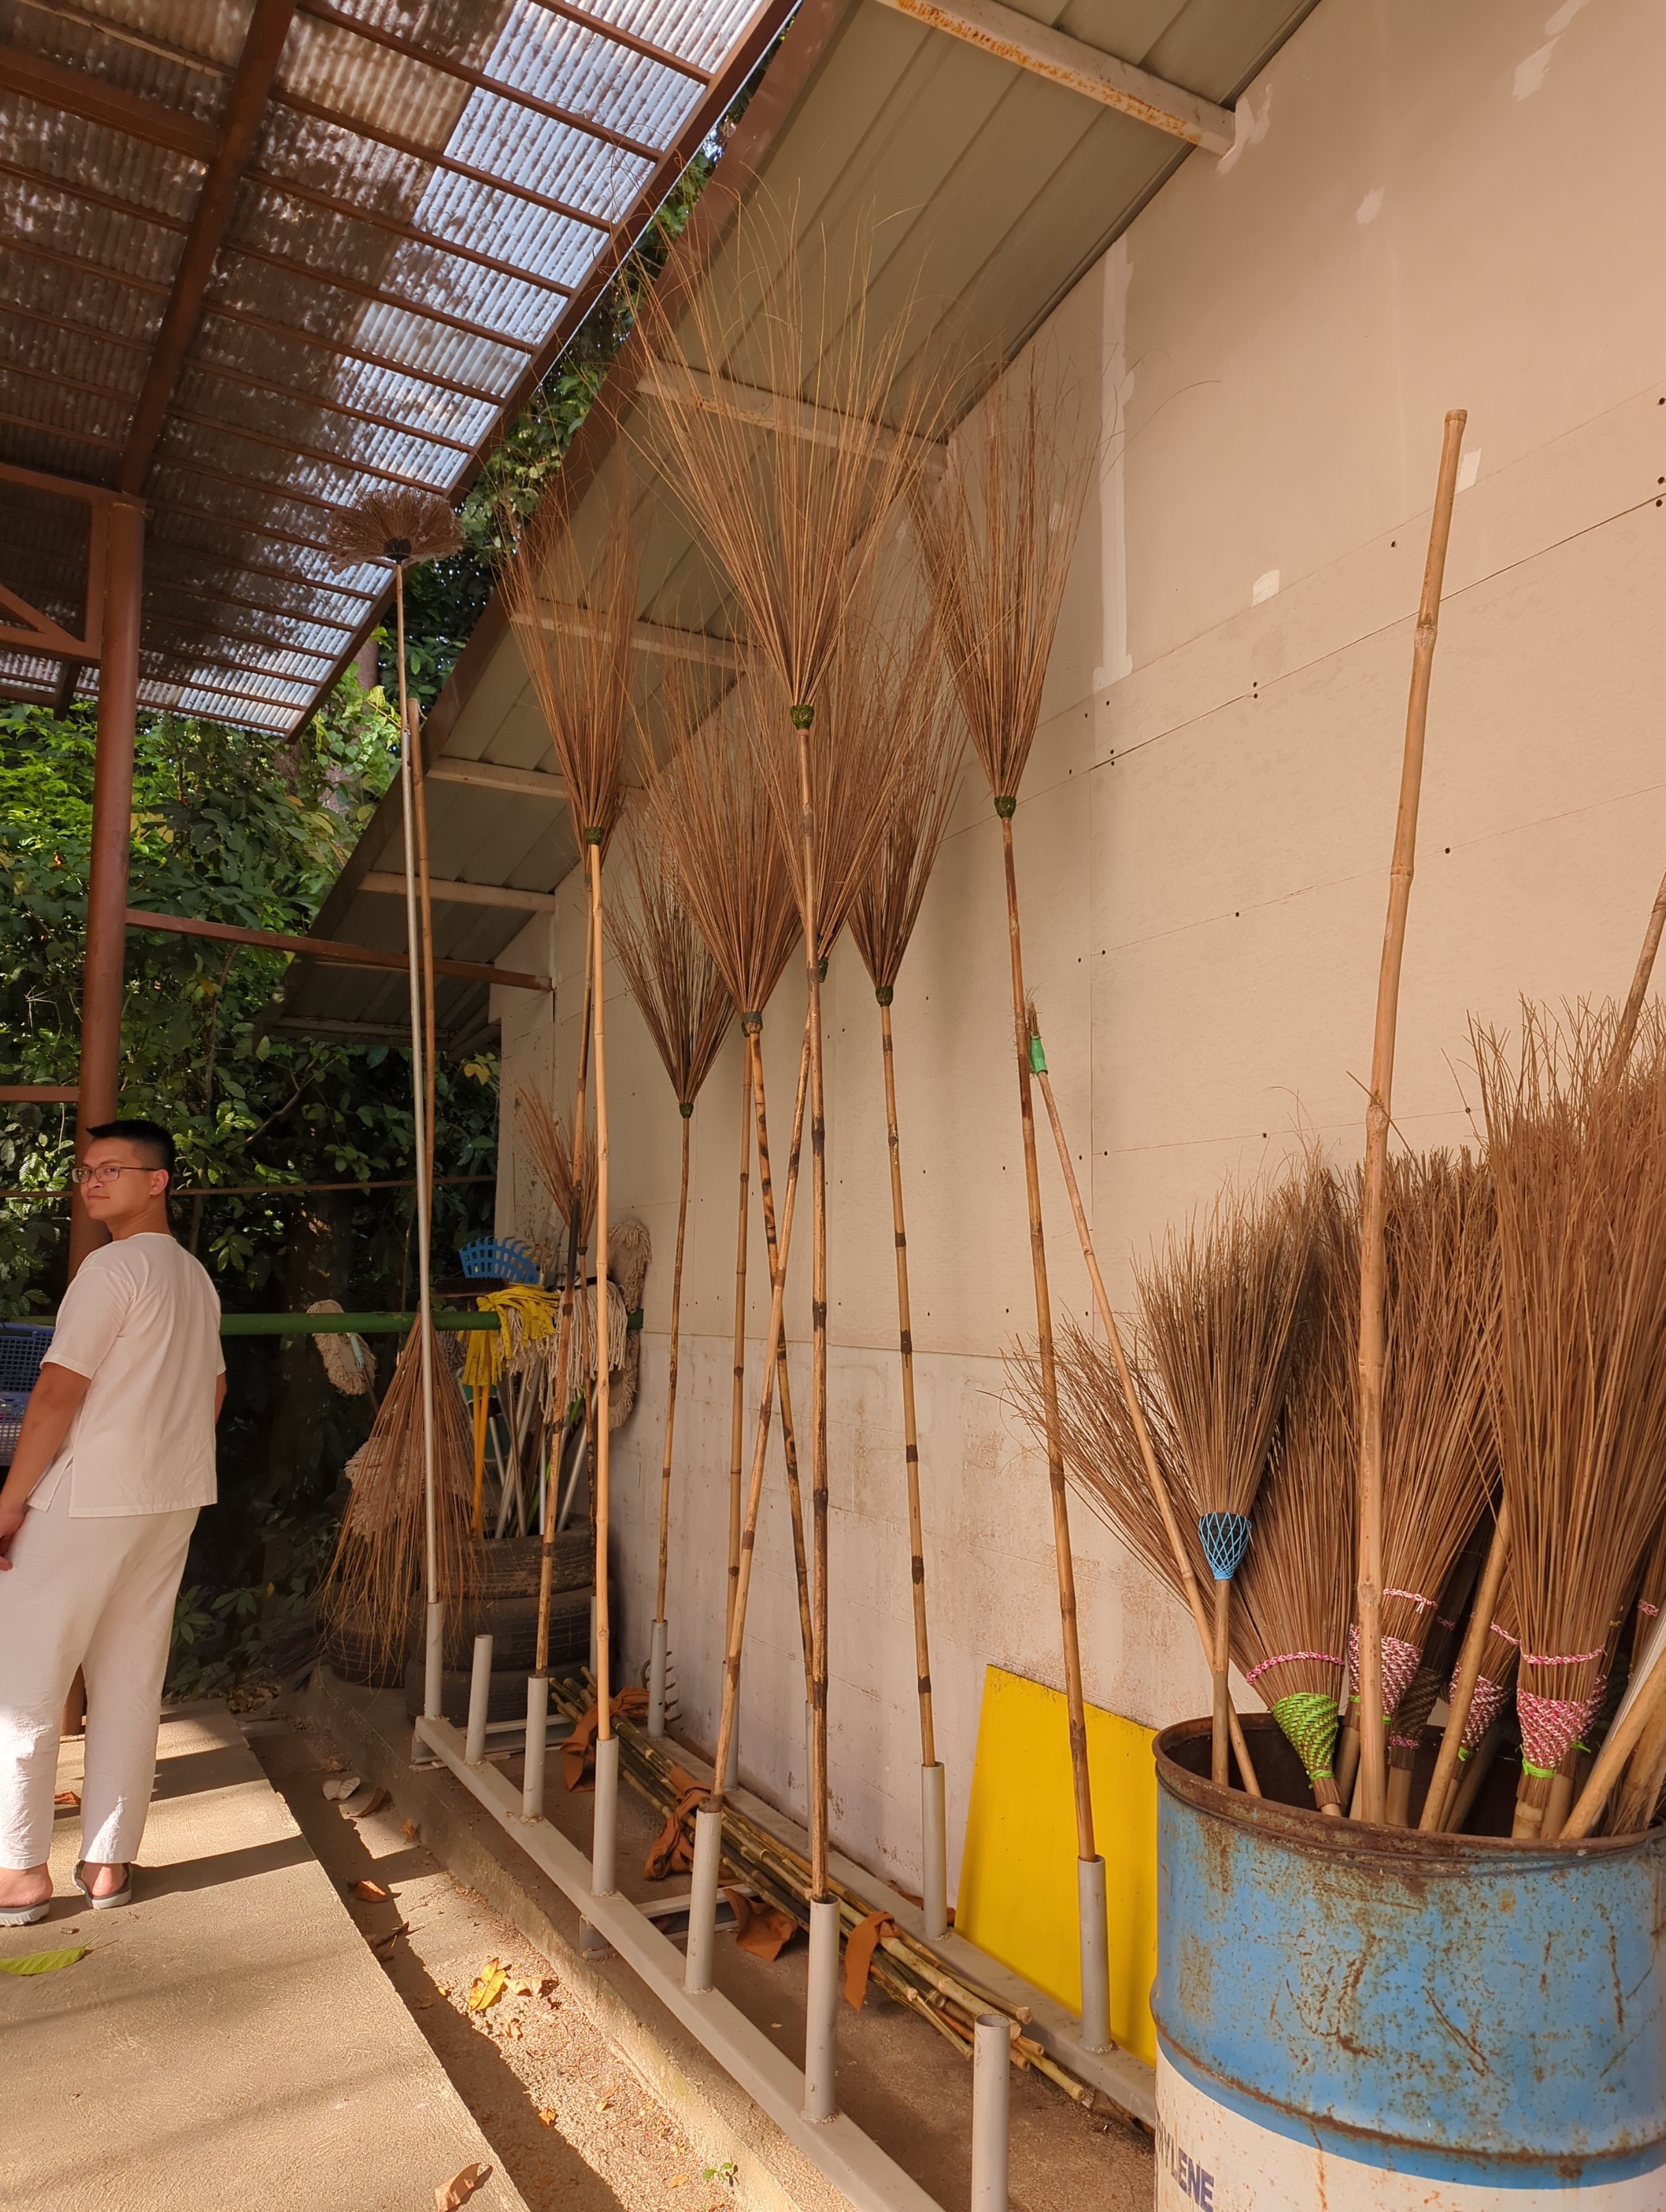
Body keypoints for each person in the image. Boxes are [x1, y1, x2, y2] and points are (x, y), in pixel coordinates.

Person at [0, 1120, 223, 1923]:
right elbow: (216, 1391)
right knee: (129, 1680)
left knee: (23, 1684)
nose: (92, 1183)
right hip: (170, 1499)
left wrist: (11, 1500)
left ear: (157, 1181)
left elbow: (58, 1390)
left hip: (91, 1497)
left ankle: (19, 1873)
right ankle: (107, 1865)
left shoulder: (110, 1268)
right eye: (86, 1171)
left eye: (112, 1170)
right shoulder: (194, 1277)